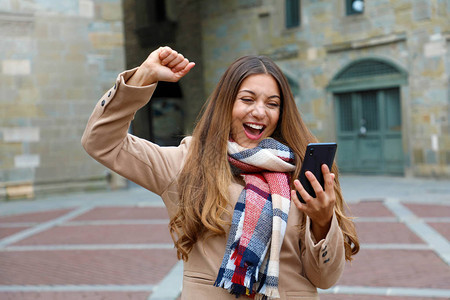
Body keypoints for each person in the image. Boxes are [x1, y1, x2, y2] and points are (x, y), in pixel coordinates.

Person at [82, 46, 359, 299]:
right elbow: (101, 141)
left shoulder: (300, 170)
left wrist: (323, 222)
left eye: (272, 104)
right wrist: (142, 78)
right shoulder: (188, 164)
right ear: (226, 104)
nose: (260, 112)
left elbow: (324, 278)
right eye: (247, 99)